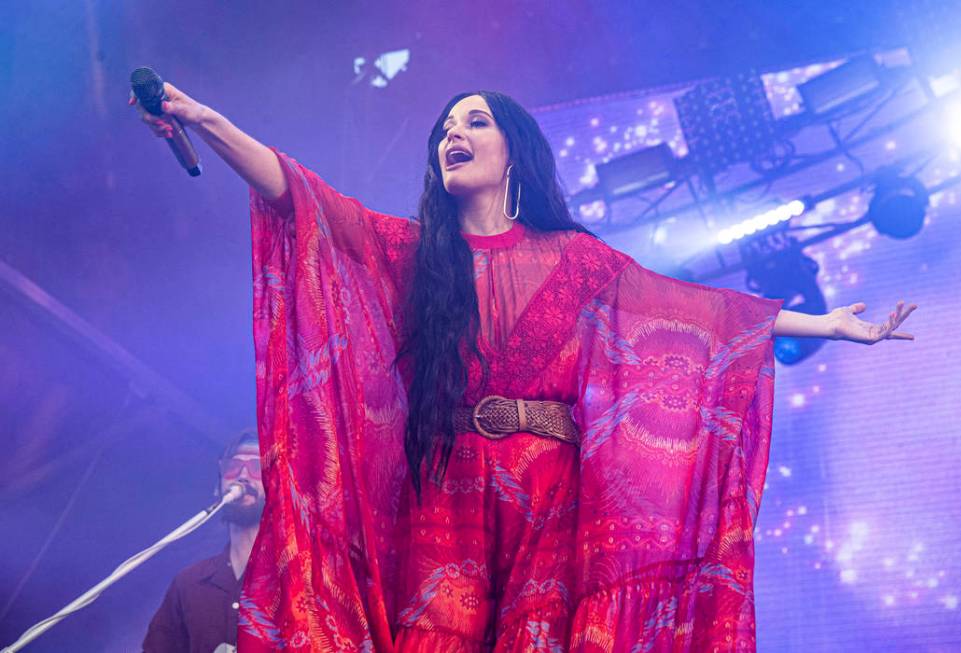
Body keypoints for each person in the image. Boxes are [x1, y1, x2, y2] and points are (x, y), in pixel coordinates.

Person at [132, 85, 916, 652]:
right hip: (446, 494)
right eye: (444, 126)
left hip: (551, 496)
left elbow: (698, 316)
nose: (453, 132)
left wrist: (832, 323)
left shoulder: (578, 261)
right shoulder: (414, 254)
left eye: (475, 120)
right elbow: (298, 192)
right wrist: (199, 116)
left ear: (515, 152)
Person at [142, 430, 265, 653]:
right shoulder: (189, 583)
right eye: (233, 466)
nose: (243, 475)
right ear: (218, 486)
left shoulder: (299, 579)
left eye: (258, 467)